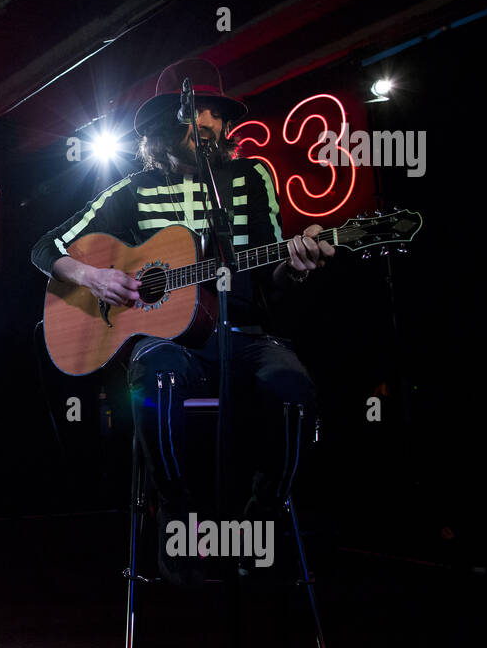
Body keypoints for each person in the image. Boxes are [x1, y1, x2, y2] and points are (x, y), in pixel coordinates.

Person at [30, 58, 334, 582]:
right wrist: (94, 278)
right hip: (165, 338)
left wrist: (296, 267)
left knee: (294, 390)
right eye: (194, 112)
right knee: (157, 378)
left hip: (246, 334)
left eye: (215, 113)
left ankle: (262, 520)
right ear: (159, 128)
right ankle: (178, 516)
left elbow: (272, 276)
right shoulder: (133, 189)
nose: (207, 123)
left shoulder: (252, 176)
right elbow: (45, 247)